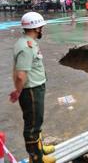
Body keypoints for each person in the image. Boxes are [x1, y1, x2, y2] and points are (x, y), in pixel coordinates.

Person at [9, 12, 56, 163]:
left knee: (37, 121)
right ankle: (36, 159)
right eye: (41, 27)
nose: (42, 29)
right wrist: (18, 91)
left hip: (35, 88)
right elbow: (20, 74)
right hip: (31, 91)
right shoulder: (26, 46)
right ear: (37, 28)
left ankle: (40, 149)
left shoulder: (27, 42)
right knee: (32, 126)